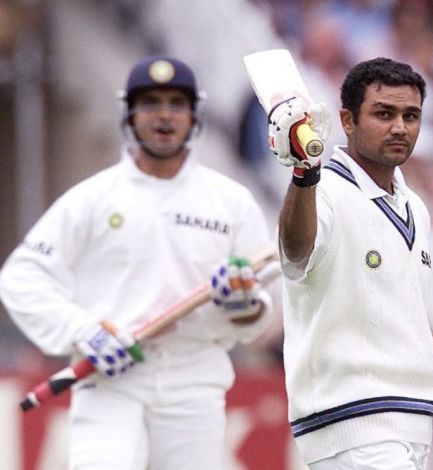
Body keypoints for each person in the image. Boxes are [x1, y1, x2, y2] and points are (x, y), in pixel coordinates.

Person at [0, 55, 273, 469]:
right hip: (110, 378)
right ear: (128, 112)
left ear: (194, 113)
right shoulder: (93, 197)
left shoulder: (230, 201)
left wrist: (242, 303)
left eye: (175, 104)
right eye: (150, 103)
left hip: (194, 379)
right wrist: (84, 332)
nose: (164, 116)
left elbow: (259, 309)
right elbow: (21, 277)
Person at [267, 57, 433, 469]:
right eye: (384, 114)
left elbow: (402, 321)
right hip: (353, 422)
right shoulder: (325, 190)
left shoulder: (413, 207)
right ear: (347, 121)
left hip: (409, 423)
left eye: (411, 115)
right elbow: (296, 254)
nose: (400, 127)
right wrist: (303, 174)